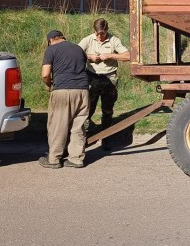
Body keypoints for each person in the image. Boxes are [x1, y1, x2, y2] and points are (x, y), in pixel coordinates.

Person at [39, 30, 89, 169]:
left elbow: (45, 74)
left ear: (50, 40)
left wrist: (49, 84)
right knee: (78, 125)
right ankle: (76, 159)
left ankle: (54, 159)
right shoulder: (79, 49)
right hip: (83, 90)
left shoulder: (51, 49)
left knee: (58, 125)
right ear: (63, 38)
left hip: (62, 90)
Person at [78, 18, 129, 150]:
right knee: (88, 108)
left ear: (107, 31)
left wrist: (111, 56)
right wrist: (89, 57)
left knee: (107, 110)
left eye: (103, 34)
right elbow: (76, 53)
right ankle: (84, 137)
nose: (101, 37)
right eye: (98, 34)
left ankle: (106, 137)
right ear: (94, 31)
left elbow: (128, 56)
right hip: (92, 77)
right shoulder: (88, 39)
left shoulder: (114, 40)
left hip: (109, 78)